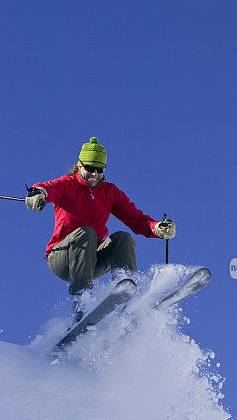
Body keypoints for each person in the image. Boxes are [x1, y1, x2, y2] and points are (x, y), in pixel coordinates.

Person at [26, 136, 176, 321]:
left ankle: (126, 295)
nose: (94, 174)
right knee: (86, 232)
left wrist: (156, 228)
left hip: (92, 259)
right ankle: (82, 304)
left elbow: (136, 219)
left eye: (99, 170)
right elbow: (48, 188)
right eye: (89, 168)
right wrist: (38, 193)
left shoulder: (109, 192)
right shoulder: (67, 184)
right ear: (80, 166)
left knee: (123, 238)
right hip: (63, 258)